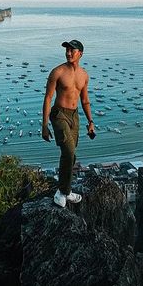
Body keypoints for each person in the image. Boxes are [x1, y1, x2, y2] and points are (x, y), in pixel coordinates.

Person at [42, 39, 95, 207]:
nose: (68, 53)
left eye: (72, 50)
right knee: (69, 151)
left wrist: (90, 122)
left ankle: (66, 190)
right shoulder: (57, 72)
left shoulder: (84, 75)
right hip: (59, 114)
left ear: (81, 53)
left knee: (71, 155)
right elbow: (48, 98)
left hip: (75, 116)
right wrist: (44, 125)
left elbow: (85, 101)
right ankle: (62, 192)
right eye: (67, 50)